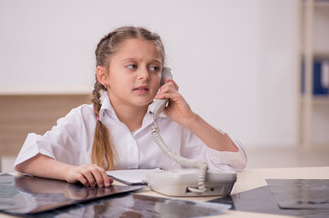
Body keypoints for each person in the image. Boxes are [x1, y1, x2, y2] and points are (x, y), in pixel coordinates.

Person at [14, 26, 247, 188]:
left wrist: (191, 119)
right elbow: (28, 159)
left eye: (154, 68)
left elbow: (236, 162)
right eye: (132, 66)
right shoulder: (83, 120)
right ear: (103, 75)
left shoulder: (175, 124)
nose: (144, 75)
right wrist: (69, 172)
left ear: (165, 76)